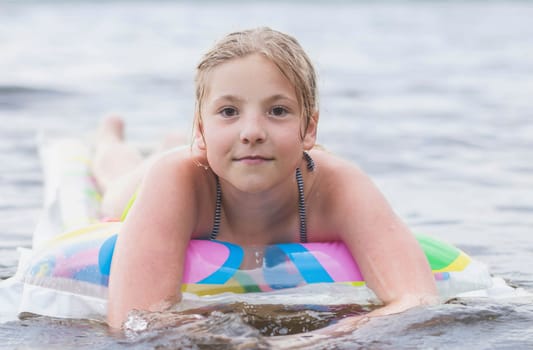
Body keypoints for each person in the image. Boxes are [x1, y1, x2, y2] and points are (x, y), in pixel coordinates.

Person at [92, 27, 439, 332]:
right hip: (172, 173)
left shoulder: (338, 186)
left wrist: (314, 340)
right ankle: (111, 139)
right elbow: (132, 319)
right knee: (117, 192)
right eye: (229, 112)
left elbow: (417, 301)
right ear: (201, 129)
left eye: (277, 111)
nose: (252, 132)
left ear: (310, 129)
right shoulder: (176, 181)